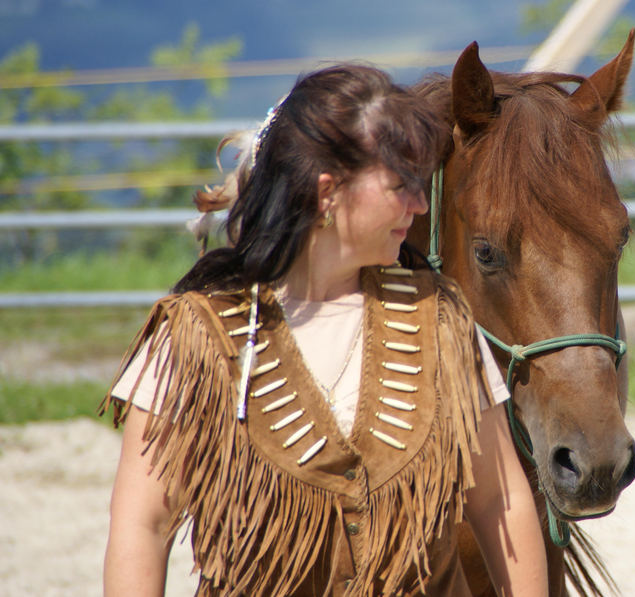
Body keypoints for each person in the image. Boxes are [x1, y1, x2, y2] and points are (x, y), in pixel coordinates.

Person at [101, 63, 547, 597]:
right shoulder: (196, 339)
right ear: (328, 193)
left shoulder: (443, 321)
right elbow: (144, 526)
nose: (421, 204)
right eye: (401, 184)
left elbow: (502, 502)